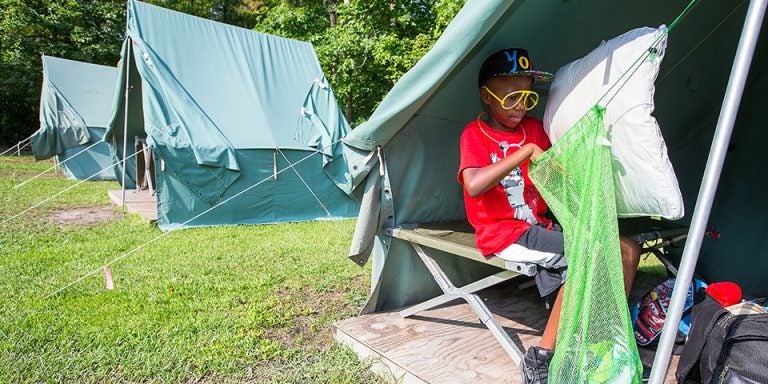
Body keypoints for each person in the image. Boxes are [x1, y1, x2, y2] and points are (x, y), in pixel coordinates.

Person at [457, 48, 641, 384]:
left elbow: (557, 176)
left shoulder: (534, 130)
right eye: (512, 96)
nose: (521, 106)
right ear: (486, 96)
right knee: (584, 253)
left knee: (626, 247)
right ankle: (539, 357)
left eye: (527, 96)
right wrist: (525, 153)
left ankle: (608, 340)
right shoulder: (475, 134)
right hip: (504, 233)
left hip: (540, 226)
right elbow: (473, 185)